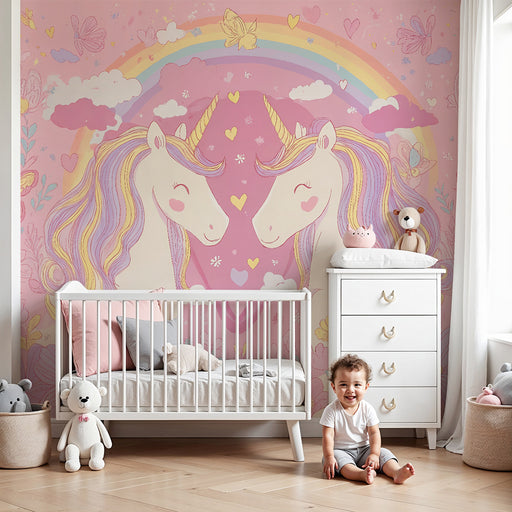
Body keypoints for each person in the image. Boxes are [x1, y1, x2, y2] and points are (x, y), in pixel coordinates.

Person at [320, 354, 415, 484]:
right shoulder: (331, 410)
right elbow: (328, 436)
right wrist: (329, 456)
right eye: (343, 384)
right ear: (333, 387)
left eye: (357, 385)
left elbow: (374, 433)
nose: (350, 390)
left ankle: (396, 472)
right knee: (337, 460)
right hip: (341, 451)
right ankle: (361, 474)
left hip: (364, 449)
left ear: (365, 387)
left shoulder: (367, 409)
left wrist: (374, 454)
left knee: (384, 453)